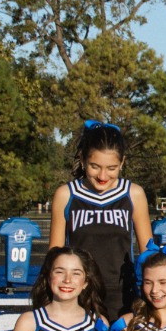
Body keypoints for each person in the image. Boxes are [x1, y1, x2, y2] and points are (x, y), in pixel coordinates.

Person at [50, 121, 153, 320]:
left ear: (122, 162)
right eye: (95, 166)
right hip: (77, 293)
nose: (103, 175)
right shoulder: (66, 194)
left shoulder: (133, 193)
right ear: (82, 159)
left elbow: (148, 253)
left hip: (123, 295)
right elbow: (54, 255)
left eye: (112, 168)